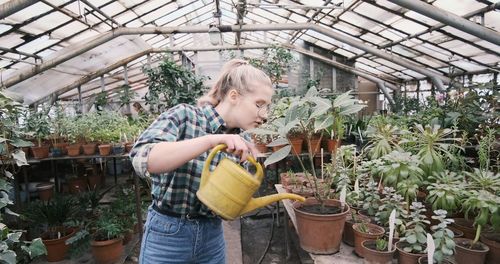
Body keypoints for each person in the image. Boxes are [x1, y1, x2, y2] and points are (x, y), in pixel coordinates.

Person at [130, 59, 273, 264]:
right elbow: (143, 159)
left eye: (267, 107)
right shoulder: (185, 116)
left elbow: (224, 204)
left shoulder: (242, 142)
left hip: (212, 236)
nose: (264, 115)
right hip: (168, 236)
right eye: (259, 104)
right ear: (233, 96)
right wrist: (211, 140)